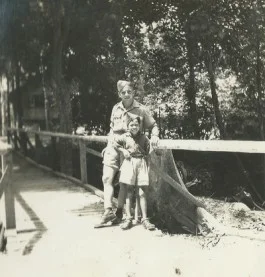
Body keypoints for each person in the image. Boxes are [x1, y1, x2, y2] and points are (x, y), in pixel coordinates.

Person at [97, 80, 159, 226]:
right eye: (123, 92)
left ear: (133, 93)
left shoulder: (141, 109)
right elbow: (112, 129)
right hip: (114, 146)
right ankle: (107, 211)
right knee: (107, 178)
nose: (126, 94)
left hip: (131, 148)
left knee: (124, 183)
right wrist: (108, 144)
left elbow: (153, 125)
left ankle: (119, 212)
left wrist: (155, 136)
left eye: (129, 92)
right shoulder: (115, 108)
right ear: (119, 94)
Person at [113, 116, 155, 230]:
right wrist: (123, 150)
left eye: (136, 125)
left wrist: (148, 168)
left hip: (141, 164)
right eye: (131, 125)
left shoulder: (144, 138)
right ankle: (128, 219)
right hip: (129, 162)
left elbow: (149, 154)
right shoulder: (125, 137)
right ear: (128, 126)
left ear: (139, 126)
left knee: (142, 193)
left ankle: (145, 219)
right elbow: (114, 143)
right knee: (129, 191)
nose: (134, 127)